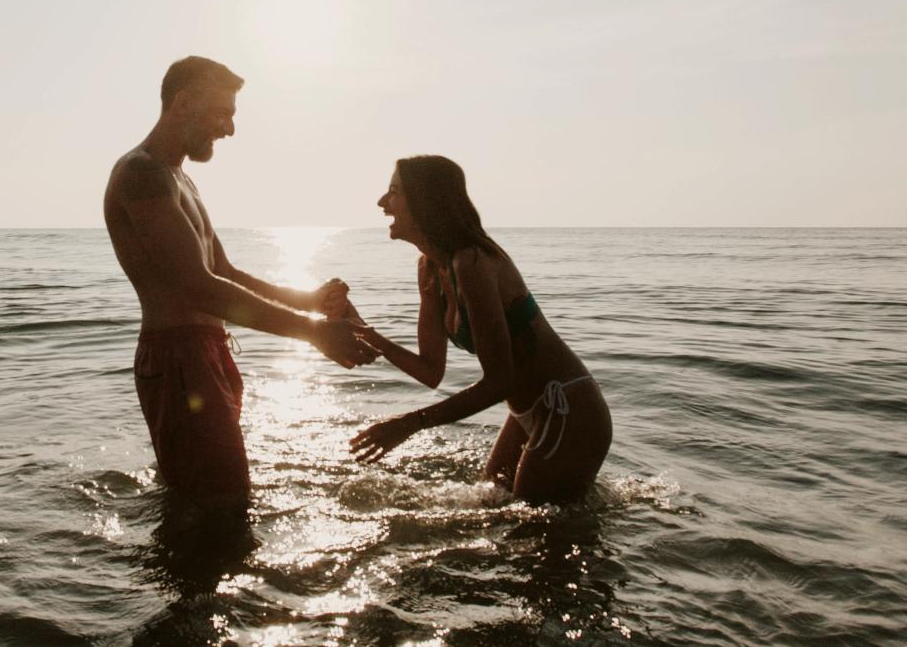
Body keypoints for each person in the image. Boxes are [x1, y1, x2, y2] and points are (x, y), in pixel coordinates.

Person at [103, 56, 377, 510]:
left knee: (218, 497)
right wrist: (312, 333)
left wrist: (308, 301)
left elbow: (224, 274)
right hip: (178, 359)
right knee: (216, 504)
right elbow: (198, 288)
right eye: (222, 113)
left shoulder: (180, 180)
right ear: (184, 102)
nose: (229, 129)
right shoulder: (141, 174)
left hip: (206, 351)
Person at [338, 155, 611, 504]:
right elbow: (430, 370)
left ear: (427, 201)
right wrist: (358, 326)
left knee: (536, 534)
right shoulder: (430, 270)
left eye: (394, 191)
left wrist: (406, 424)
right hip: (526, 412)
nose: (382, 202)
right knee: (493, 502)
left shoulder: (472, 263)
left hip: (567, 409)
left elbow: (500, 381)